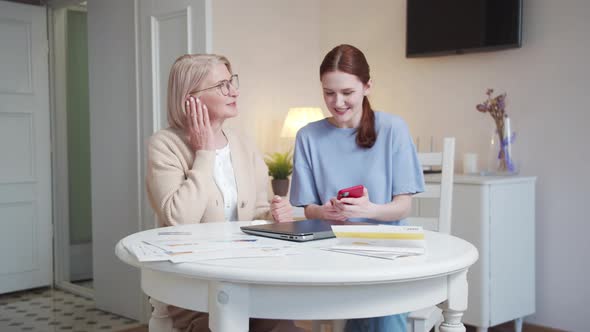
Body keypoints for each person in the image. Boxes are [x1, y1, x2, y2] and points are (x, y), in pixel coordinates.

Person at [146, 54, 299, 332]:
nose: (234, 91)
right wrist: (204, 153)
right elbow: (178, 219)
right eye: (222, 85)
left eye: (232, 81)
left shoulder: (243, 143)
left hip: (251, 287)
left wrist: (275, 215)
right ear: (190, 97)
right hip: (197, 296)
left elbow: (256, 215)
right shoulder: (165, 144)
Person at [290, 44, 425, 332]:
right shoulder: (308, 137)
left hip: (387, 253)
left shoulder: (393, 129)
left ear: (367, 86)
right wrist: (324, 212)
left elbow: (404, 206)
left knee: (383, 310)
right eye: (329, 92)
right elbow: (307, 208)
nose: (337, 102)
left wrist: (370, 210)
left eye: (347, 92)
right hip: (331, 253)